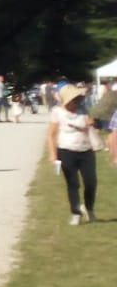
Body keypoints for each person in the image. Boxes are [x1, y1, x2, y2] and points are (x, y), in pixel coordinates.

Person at [48, 85, 100, 225]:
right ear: (67, 100)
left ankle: (89, 209)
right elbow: (51, 134)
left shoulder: (83, 110)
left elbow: (93, 125)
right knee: (73, 184)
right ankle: (75, 213)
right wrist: (53, 154)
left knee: (91, 182)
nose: (76, 101)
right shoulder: (57, 112)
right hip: (66, 151)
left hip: (86, 150)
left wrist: (92, 124)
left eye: (77, 98)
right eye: (73, 99)